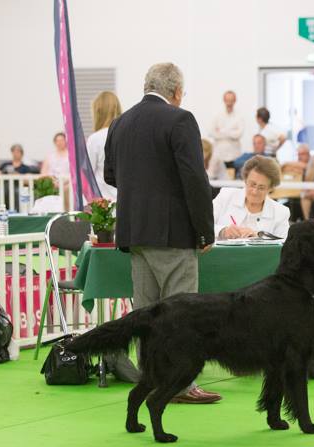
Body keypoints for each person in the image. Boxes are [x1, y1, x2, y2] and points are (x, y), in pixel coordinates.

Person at [104, 62, 220, 403]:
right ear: (177, 91)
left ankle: (152, 380)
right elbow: (194, 179)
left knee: (148, 313)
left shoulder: (120, 123)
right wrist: (205, 230)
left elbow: (112, 175)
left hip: (134, 232)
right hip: (173, 234)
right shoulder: (180, 119)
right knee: (181, 313)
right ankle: (181, 385)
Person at [213, 155, 290, 240]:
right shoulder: (226, 195)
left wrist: (259, 237)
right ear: (245, 179)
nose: (254, 191)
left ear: (270, 188)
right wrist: (223, 231)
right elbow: (203, 226)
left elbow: (284, 245)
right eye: (252, 184)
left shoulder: (281, 212)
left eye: (261, 187)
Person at [87, 91, 122, 200]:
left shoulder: (95, 138)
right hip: (125, 201)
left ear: (97, 112)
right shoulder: (127, 133)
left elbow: (88, 173)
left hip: (103, 203)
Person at [209, 90, 244, 169]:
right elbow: (212, 132)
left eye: (231, 100)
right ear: (224, 100)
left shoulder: (239, 116)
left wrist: (221, 131)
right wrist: (231, 132)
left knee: (233, 179)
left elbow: (239, 134)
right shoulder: (217, 115)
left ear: (235, 101)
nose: (229, 103)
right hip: (219, 155)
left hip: (234, 155)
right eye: (227, 100)